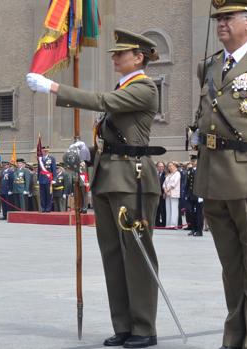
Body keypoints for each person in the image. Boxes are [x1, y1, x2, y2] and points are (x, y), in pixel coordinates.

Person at [27, 28, 162, 348]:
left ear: (138, 57)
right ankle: (124, 325)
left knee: (136, 255)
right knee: (113, 255)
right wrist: (91, 151)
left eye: (120, 53)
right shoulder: (124, 86)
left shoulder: (144, 88)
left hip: (133, 180)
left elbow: (103, 101)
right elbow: (114, 134)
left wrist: (54, 87)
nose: (115, 57)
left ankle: (144, 326)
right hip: (108, 178)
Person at [193, 1, 247, 348]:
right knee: (232, 269)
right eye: (218, 19)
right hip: (214, 177)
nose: (221, 24)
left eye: (227, 18)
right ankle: (233, 339)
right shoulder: (209, 66)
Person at [184, 155, 203, 236]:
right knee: (190, 213)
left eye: (194, 161)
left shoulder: (201, 170)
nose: (193, 163)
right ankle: (193, 228)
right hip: (191, 195)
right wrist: (186, 193)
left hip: (198, 195)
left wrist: (201, 195)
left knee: (199, 214)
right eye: (192, 161)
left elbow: (203, 183)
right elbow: (187, 183)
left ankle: (199, 230)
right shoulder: (190, 170)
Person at [162, 161, 181, 228]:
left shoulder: (177, 173)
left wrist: (168, 190)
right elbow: (164, 184)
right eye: (168, 166)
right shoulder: (169, 174)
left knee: (174, 209)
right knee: (168, 209)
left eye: (171, 165)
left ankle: (173, 224)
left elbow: (174, 183)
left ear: (174, 166)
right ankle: (168, 224)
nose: (169, 167)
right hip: (167, 194)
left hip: (174, 193)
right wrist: (165, 190)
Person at [38, 146, 57, 212]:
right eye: (44, 151)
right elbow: (39, 170)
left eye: (46, 151)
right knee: (42, 195)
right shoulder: (40, 159)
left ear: (48, 151)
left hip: (49, 179)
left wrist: (54, 179)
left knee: (49, 194)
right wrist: (38, 179)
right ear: (42, 151)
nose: (45, 152)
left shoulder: (52, 158)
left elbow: (54, 169)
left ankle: (48, 208)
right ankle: (43, 208)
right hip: (41, 179)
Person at [154, 161, 166, 227]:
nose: (161, 168)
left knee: (163, 209)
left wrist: (163, 192)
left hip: (162, 195)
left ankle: (163, 223)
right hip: (156, 195)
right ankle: (157, 223)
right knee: (157, 210)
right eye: (159, 166)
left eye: (162, 166)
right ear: (157, 167)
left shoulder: (166, 174)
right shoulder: (155, 174)